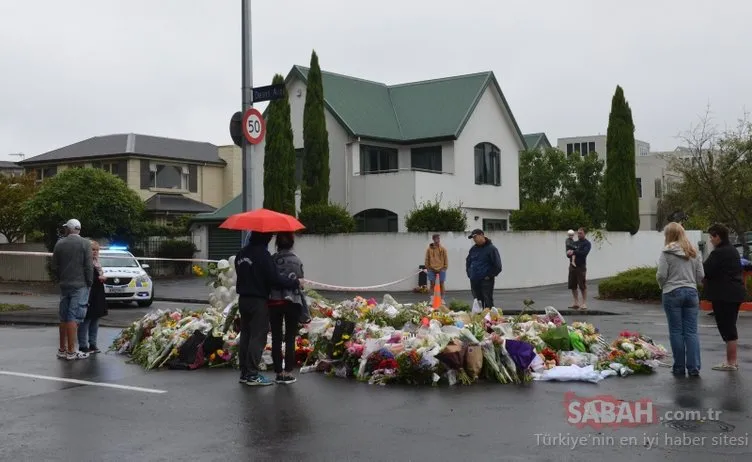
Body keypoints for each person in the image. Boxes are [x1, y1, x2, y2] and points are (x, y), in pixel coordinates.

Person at [235, 231, 300, 386]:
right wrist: (294, 283)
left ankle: (244, 372)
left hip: (243, 299)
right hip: (258, 300)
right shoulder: (263, 255)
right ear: (265, 237)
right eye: (269, 236)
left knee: (246, 335)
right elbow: (274, 279)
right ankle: (252, 374)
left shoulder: (241, 254)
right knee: (258, 336)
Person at [656, 222, 704, 377]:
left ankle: (679, 367)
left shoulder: (666, 252)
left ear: (669, 235)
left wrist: (662, 286)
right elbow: (701, 276)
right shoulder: (694, 252)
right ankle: (694, 367)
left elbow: (661, 275)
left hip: (672, 292)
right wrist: (692, 283)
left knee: (676, 331)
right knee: (691, 331)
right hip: (691, 292)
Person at [703, 223, 745, 372]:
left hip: (724, 294)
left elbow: (705, 270)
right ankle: (732, 361)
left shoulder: (719, 253)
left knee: (727, 327)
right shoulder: (733, 250)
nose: (710, 240)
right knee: (730, 325)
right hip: (736, 292)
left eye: (711, 237)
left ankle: (731, 362)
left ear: (718, 236)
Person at [51, 219, 93, 360]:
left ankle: (62, 349)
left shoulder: (60, 243)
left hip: (65, 285)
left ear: (68, 229)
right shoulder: (85, 243)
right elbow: (88, 265)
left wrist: (60, 278)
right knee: (73, 318)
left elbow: (54, 266)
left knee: (63, 317)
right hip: (79, 285)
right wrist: (89, 282)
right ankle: (71, 351)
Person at [268, 232, 305, 384]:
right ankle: (288, 372)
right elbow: (301, 279)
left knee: (276, 337)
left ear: (277, 244)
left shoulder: (272, 260)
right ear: (291, 244)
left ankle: (278, 372)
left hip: (274, 302)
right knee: (290, 338)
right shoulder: (296, 260)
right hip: (293, 302)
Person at [78, 240, 108, 354]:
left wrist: (101, 278)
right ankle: (82, 345)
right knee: (86, 319)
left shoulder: (97, 263)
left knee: (95, 319)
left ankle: (93, 344)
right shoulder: (85, 263)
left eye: (97, 250)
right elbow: (86, 278)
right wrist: (99, 278)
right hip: (88, 293)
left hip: (98, 293)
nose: (95, 252)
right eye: (92, 249)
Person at [465, 229, 502, 309]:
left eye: (475, 237)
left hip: (486, 281)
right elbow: (468, 261)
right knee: (477, 302)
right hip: (474, 280)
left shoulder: (491, 249)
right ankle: (479, 320)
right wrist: (469, 273)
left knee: (487, 301)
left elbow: (498, 266)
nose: (474, 239)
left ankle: (489, 320)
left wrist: (489, 276)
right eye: (473, 238)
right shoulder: (473, 249)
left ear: (482, 235)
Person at [567, 227, 591, 310]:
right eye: (578, 233)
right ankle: (576, 302)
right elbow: (569, 254)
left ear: (585, 234)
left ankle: (584, 303)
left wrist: (574, 252)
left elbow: (584, 253)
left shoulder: (587, 243)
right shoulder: (575, 243)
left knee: (582, 285)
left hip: (581, 266)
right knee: (573, 285)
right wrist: (569, 253)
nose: (579, 234)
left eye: (581, 233)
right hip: (572, 266)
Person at [424, 234, 449, 301]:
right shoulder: (429, 250)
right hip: (431, 269)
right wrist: (428, 268)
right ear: (433, 239)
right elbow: (427, 259)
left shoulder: (443, 249)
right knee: (432, 284)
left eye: (438, 239)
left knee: (441, 284)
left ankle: (442, 299)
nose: (438, 240)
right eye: (436, 239)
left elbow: (446, 258)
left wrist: (445, 267)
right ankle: (432, 299)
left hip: (441, 269)